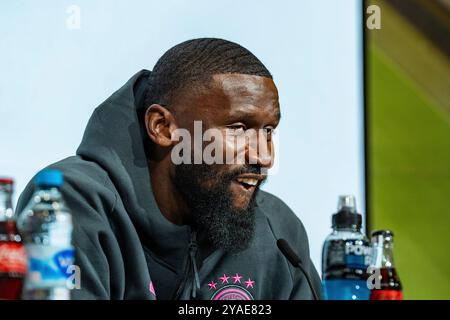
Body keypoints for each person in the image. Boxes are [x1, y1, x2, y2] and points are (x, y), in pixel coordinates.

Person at [17, 38, 322, 300]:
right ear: (162, 128)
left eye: (269, 131)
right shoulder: (69, 204)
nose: (264, 157)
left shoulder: (278, 230)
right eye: (239, 128)